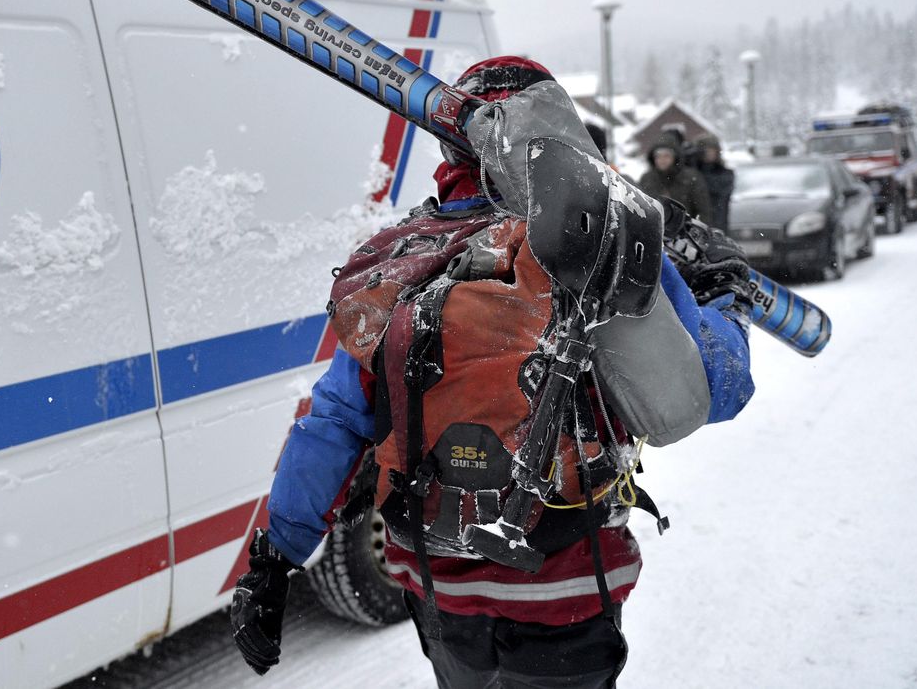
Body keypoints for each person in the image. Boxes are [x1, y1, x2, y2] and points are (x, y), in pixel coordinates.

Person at [230, 57, 755, 688]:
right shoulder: (599, 244)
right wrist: (725, 296)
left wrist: (274, 558)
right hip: (568, 589)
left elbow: (336, 421)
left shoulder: (405, 263)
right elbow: (714, 389)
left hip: (437, 588)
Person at [638, 140, 713, 225]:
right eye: (658, 156)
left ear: (675, 157)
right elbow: (640, 208)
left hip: (685, 231)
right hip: (655, 231)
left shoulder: (691, 177)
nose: (662, 159)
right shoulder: (647, 178)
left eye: (666, 156)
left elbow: (703, 210)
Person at [693, 134, 735, 233]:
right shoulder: (692, 172)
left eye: (712, 149)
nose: (709, 153)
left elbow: (714, 187)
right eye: (705, 150)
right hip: (696, 225)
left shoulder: (725, 173)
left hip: (717, 225)